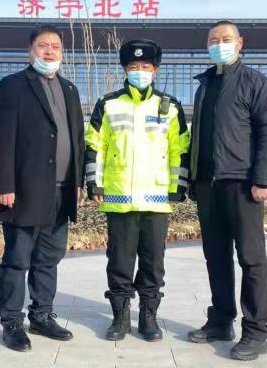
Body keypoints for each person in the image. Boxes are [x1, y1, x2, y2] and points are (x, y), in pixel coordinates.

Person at [187, 21, 267, 361]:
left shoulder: (255, 82)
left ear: (240, 43)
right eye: (213, 40)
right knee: (215, 256)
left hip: (241, 183)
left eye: (226, 39)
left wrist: (262, 179)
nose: (219, 44)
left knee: (251, 258)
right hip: (208, 184)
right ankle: (221, 320)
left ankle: (256, 330)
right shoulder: (205, 85)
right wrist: (193, 179)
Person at [85, 39, 190, 342]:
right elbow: (95, 145)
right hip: (119, 199)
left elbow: (180, 148)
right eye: (133, 66)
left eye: (146, 66)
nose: (140, 71)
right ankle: (120, 316)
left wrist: (179, 185)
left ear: (155, 70)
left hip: (157, 200)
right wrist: (94, 182)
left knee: (153, 263)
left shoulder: (170, 106)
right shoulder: (108, 103)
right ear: (125, 69)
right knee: (119, 261)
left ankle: (148, 316)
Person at [0, 25, 85, 352]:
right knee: (18, 258)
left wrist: (77, 182)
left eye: (55, 46)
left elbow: (77, 139)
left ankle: (42, 315)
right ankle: (12, 322)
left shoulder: (70, 89)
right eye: (42, 45)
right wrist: (4, 184)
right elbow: (2, 138)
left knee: (49, 257)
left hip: (62, 190)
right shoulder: (13, 85)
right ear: (30, 51)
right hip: (25, 189)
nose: (49, 51)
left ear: (62, 52)